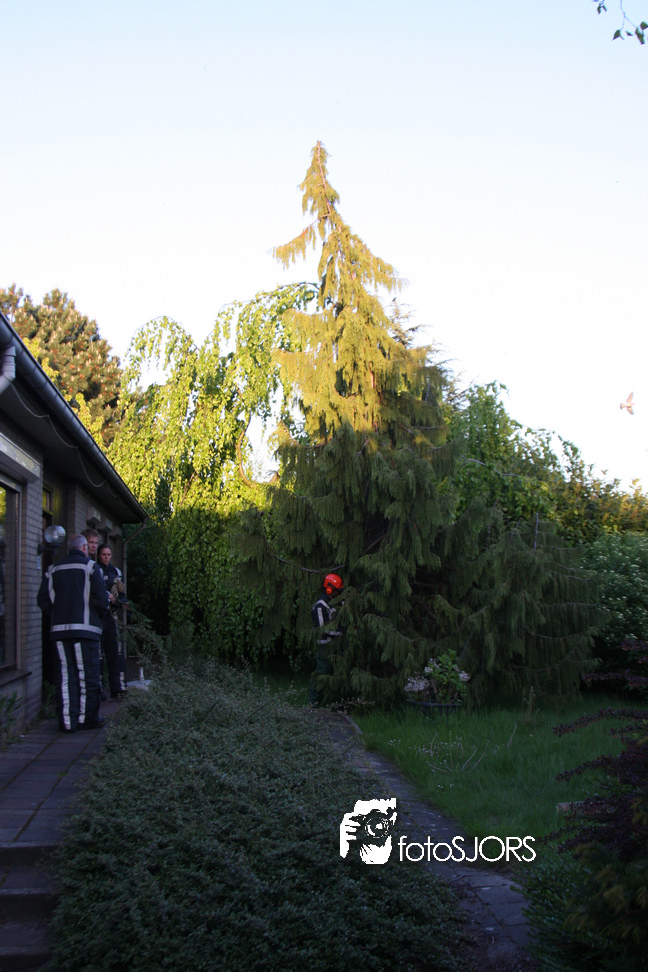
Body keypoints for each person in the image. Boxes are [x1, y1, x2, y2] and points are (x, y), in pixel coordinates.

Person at [37, 533, 108, 732]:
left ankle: (67, 722)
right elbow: (101, 600)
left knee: (65, 676)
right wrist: (96, 617)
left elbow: (43, 600)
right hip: (86, 630)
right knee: (87, 676)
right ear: (84, 548)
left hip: (60, 631)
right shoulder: (90, 567)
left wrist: (57, 615)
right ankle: (86, 720)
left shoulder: (53, 569)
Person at [96, 544, 128, 699]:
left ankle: (118, 688)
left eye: (108, 554)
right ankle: (98, 690)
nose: (106, 557)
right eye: (103, 554)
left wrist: (122, 602)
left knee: (115, 652)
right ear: (98, 555)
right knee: (98, 655)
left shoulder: (116, 572)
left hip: (111, 617)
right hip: (97, 617)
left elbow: (122, 594)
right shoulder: (95, 570)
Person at [309, 572, 344, 706]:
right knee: (321, 673)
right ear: (329, 589)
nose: (339, 593)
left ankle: (338, 703)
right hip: (325, 646)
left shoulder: (337, 602)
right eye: (337, 591)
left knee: (339, 674)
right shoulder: (320, 606)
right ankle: (312, 703)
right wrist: (341, 632)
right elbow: (323, 630)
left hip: (337, 645)